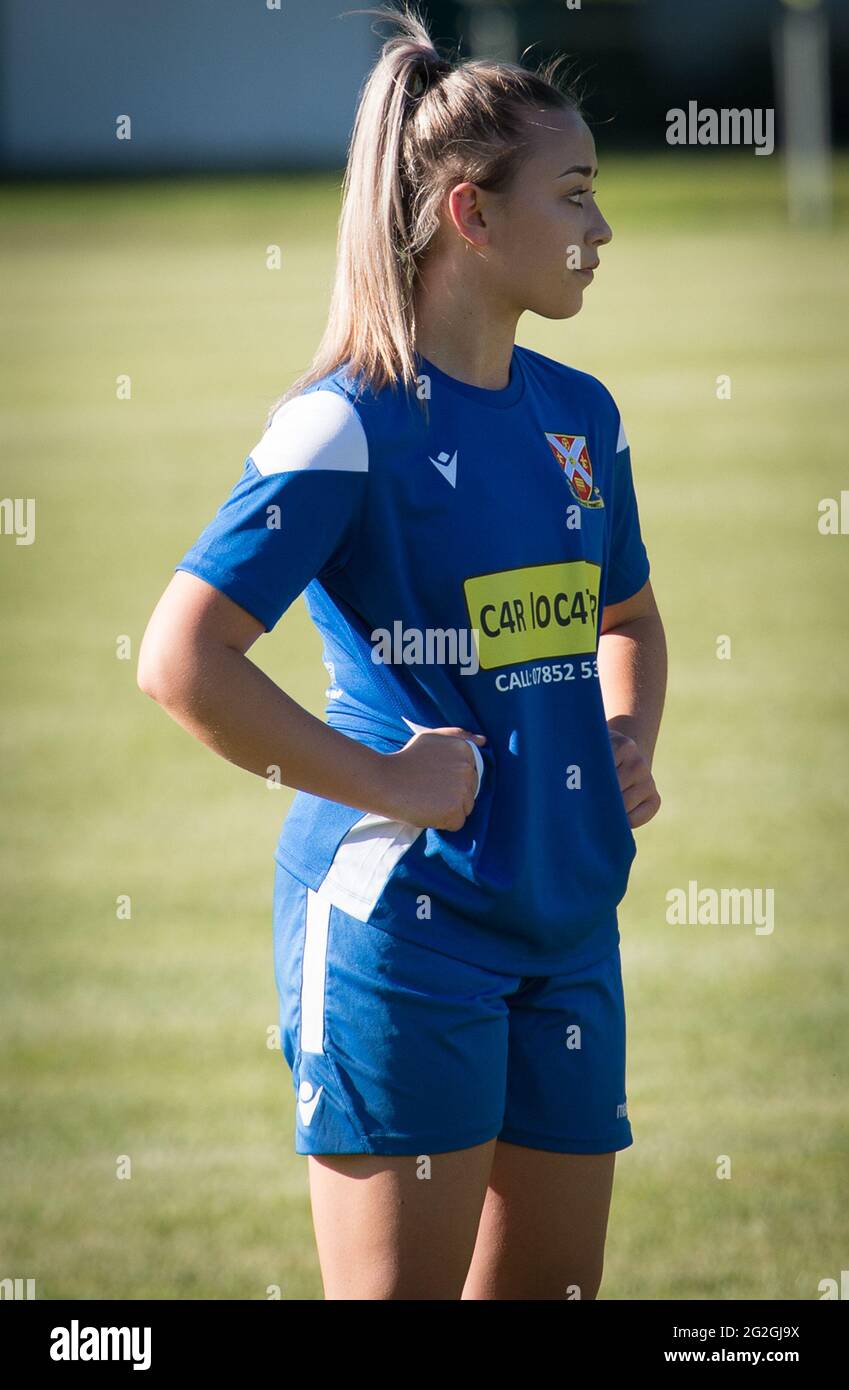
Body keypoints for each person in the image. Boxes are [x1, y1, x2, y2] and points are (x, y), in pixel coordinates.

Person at [137, 2, 667, 1300]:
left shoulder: (578, 414)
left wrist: (625, 736)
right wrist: (385, 781)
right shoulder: (343, 422)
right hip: (403, 923)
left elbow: (628, 619)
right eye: (575, 194)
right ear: (471, 217)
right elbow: (181, 657)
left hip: (567, 915)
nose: (600, 231)